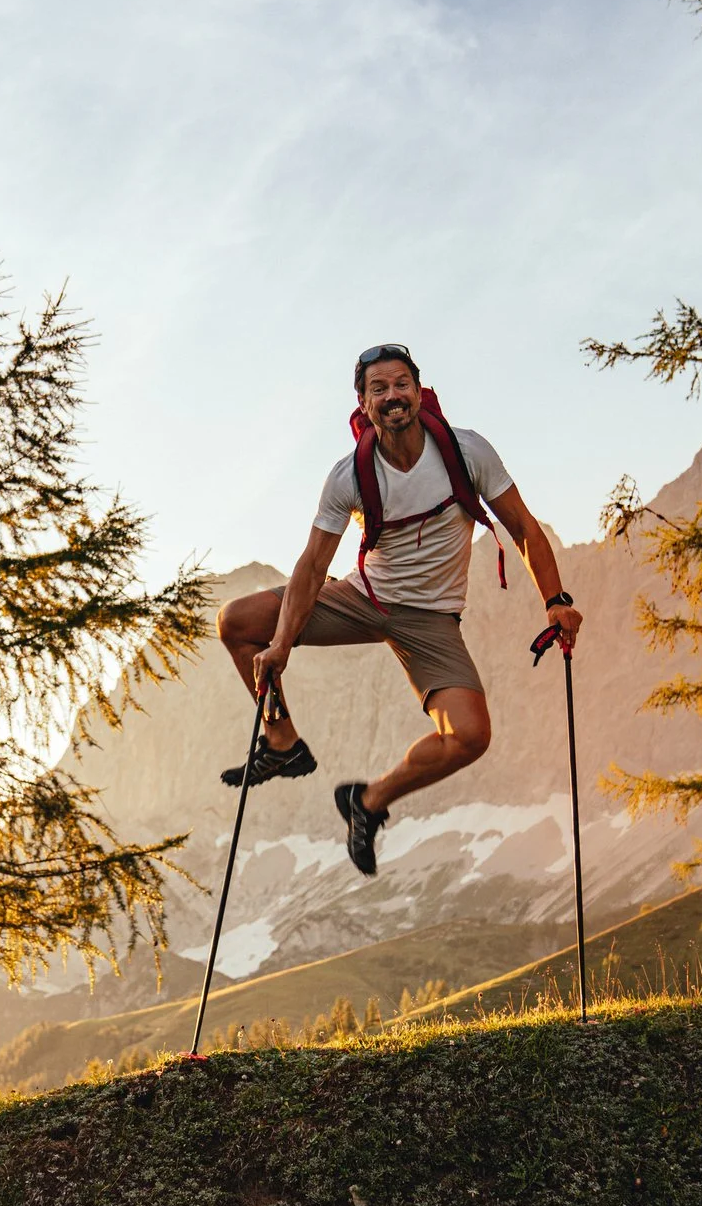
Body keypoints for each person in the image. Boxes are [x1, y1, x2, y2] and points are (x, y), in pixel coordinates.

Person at [217, 343, 583, 874]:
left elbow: (523, 527)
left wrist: (555, 601)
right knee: (236, 622)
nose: (392, 395)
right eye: (379, 388)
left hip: (431, 618)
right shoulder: (349, 476)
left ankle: (368, 802)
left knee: (470, 737)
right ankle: (282, 743)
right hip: (362, 598)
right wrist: (279, 645)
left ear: (418, 390)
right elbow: (313, 566)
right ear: (364, 404)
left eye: (400, 384)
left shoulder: (466, 452)